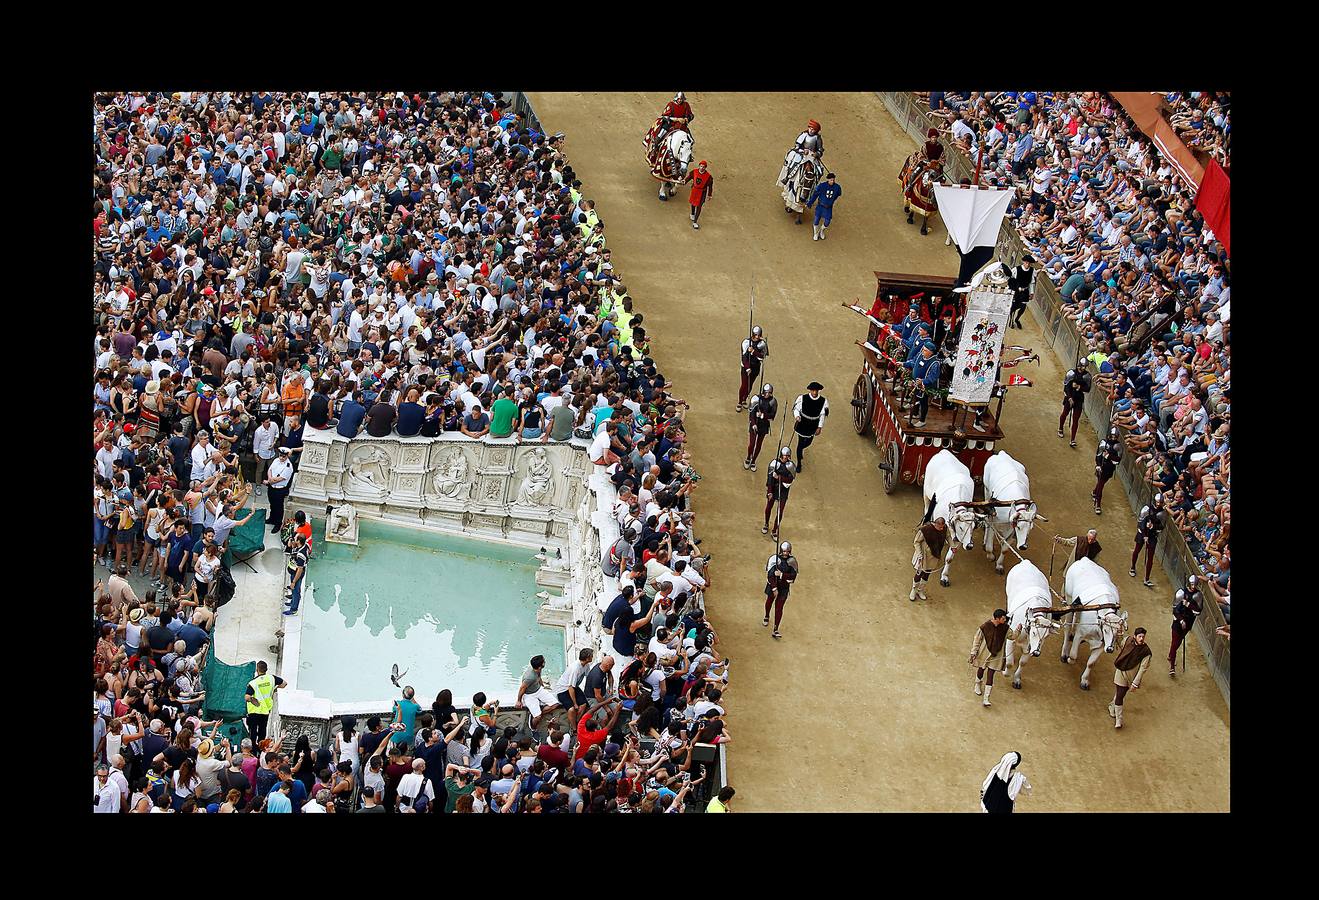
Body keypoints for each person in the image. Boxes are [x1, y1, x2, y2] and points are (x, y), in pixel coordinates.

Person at [1109, 627, 1152, 729]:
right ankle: (1119, 719)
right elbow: (1120, 644)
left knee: (1121, 694)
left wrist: (1135, 683)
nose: (1141, 638)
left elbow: (1142, 669)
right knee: (1120, 694)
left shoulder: (1146, 652)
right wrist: (1118, 634)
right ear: (1135, 636)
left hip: (1131, 677)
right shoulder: (1128, 640)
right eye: (1139, 636)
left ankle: (1112, 706)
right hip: (1120, 672)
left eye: (1143, 636)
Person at [969, 609, 1010, 708]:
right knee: (981, 669)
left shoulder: (1005, 628)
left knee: (991, 674)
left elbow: (1012, 636)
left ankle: (986, 698)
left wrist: (1018, 630)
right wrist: (973, 652)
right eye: (1003, 618)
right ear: (997, 618)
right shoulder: (985, 626)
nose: (1005, 620)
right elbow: (977, 639)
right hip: (985, 652)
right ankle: (977, 684)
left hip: (997, 655)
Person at [244, 660, 285, 748]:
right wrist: (274, 688)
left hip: (254, 711)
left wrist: (253, 700)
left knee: (253, 731)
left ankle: (252, 749)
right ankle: (261, 747)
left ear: (257, 670)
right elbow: (284, 684)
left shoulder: (253, 683)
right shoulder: (272, 678)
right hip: (265, 710)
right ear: (266, 669)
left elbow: (247, 697)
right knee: (262, 730)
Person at [762, 541, 798, 640]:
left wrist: (782, 575)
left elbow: (793, 576)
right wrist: (774, 588)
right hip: (773, 586)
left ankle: (776, 628)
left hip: (784, 588)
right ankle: (766, 615)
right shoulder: (774, 559)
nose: (785, 553)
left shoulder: (792, 561)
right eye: (784, 551)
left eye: (787, 551)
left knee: (779, 608)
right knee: (769, 601)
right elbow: (770, 575)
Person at [1168, 576, 1203, 677]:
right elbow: (1174, 609)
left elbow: (1198, 611)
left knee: (1178, 642)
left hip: (1188, 622)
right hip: (1178, 621)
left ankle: (1171, 656)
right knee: (1175, 643)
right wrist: (1181, 620)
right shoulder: (1181, 593)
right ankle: (1172, 667)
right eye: (1192, 584)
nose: (1193, 587)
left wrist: (1188, 605)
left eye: (1195, 585)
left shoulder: (1198, 595)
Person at [517, 655, 562, 733]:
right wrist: (519, 700)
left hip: (538, 689)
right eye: (544, 662)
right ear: (540, 667)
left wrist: (542, 685)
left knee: (555, 704)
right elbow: (522, 688)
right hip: (529, 695)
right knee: (537, 717)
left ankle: (537, 713)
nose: (545, 662)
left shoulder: (537, 670)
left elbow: (539, 677)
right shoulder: (529, 677)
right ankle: (533, 729)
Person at [1129, 497, 1166, 588]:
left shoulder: (1162, 513)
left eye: (1160, 502)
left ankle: (1147, 578)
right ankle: (1132, 567)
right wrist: (1145, 534)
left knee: (1150, 557)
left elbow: (1161, 526)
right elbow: (1140, 522)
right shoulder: (1147, 509)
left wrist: (1153, 526)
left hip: (1152, 535)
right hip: (1142, 533)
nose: (1158, 504)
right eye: (1157, 502)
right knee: (1137, 550)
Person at [792, 382, 828, 472]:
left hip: (813, 425)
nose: (815, 392)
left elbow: (822, 415)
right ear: (810, 390)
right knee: (800, 444)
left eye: (816, 391)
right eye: (813, 390)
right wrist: (797, 416)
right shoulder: (802, 398)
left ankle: (801, 450)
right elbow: (796, 409)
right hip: (802, 423)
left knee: (808, 442)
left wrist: (819, 427)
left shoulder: (823, 401)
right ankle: (799, 462)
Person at [904, 341, 941, 428]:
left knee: (923, 402)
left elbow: (933, 377)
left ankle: (922, 420)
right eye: (923, 349)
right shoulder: (920, 355)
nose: (922, 351)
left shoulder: (935, 363)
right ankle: (915, 414)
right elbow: (913, 363)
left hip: (925, 387)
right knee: (915, 398)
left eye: (925, 350)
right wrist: (904, 364)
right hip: (916, 383)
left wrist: (923, 381)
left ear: (930, 352)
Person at [762, 446, 796, 539]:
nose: (787, 458)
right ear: (782, 455)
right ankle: (766, 523)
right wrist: (770, 492)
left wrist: (779, 478)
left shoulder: (791, 466)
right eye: (786, 456)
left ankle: (774, 530)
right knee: (769, 507)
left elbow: (790, 479)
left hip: (784, 490)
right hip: (773, 488)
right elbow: (770, 479)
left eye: (789, 456)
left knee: (780, 511)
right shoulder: (774, 464)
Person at [911, 517, 947, 601]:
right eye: (940, 527)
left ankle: (921, 590)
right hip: (924, 556)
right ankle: (913, 590)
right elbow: (916, 542)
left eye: (942, 527)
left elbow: (947, 536)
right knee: (919, 573)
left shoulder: (944, 529)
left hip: (934, 556)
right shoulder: (925, 530)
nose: (941, 529)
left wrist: (953, 546)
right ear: (936, 524)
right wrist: (919, 554)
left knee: (927, 574)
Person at [1058, 359, 1092, 448]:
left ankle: (1073, 439)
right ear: (1079, 365)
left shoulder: (1087, 376)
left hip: (1079, 399)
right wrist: (1069, 398)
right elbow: (1066, 387)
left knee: (1076, 419)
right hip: (1070, 396)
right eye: (1083, 366)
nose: (1084, 368)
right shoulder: (1071, 373)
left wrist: (1079, 387)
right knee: (1064, 413)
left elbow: (1087, 389)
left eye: (1085, 366)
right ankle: (1060, 428)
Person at [744, 382, 777, 471]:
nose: (767, 394)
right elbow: (751, 413)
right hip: (754, 425)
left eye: (769, 393)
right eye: (766, 392)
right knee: (752, 444)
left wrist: (762, 415)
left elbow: (772, 416)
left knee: (758, 445)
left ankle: (753, 460)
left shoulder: (773, 401)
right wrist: (754, 424)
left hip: (764, 425)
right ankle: (748, 457)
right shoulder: (756, 399)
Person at [737, 327, 769, 412]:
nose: (757, 337)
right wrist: (747, 368)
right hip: (746, 367)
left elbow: (762, 356)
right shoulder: (746, 342)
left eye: (759, 335)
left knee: (750, 385)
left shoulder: (762, 344)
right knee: (744, 385)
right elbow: (744, 357)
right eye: (755, 335)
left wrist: (753, 352)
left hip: (755, 367)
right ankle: (739, 402)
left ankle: (744, 399)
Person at [1093, 426, 1123, 514]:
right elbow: (1098, 454)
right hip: (1101, 467)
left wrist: (1109, 456)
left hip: (1109, 469)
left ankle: (1095, 492)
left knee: (1101, 483)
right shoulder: (1103, 443)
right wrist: (1098, 465)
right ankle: (1098, 504)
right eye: (1112, 436)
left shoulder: (1118, 446)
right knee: (1101, 485)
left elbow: (1118, 460)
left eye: (1115, 437)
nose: (1113, 438)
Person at [264, 447, 294, 534]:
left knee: (278, 507)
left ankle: (277, 523)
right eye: (280, 455)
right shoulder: (276, 460)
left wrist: (268, 481)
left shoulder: (288, 467)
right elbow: (270, 470)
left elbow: (279, 479)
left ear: (287, 456)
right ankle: (271, 518)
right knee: (272, 504)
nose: (281, 458)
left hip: (279, 489)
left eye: (283, 456)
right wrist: (269, 478)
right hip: (271, 487)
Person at [805, 172, 842, 241]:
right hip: (820, 207)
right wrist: (810, 203)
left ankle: (821, 231)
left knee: (827, 222)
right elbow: (815, 195)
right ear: (828, 179)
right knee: (816, 221)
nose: (832, 181)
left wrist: (832, 201)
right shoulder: (822, 186)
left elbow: (838, 194)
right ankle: (815, 233)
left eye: (833, 180)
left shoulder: (837, 187)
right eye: (831, 180)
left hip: (828, 208)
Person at [283, 530, 309, 616]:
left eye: (295, 539)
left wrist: (294, 581)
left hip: (297, 574)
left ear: (298, 541)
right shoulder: (303, 545)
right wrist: (291, 538)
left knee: (295, 591)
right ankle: (293, 602)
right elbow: (290, 545)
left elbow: (300, 569)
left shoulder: (301, 555)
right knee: (295, 590)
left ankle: (294, 609)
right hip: (294, 571)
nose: (294, 539)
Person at [1007, 255, 1036, 329]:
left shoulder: (1032, 271)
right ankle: (1011, 320)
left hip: (1025, 291)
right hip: (1016, 291)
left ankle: (1017, 319)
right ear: (1024, 262)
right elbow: (1011, 281)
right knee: (1013, 307)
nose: (1028, 264)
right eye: (1026, 263)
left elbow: (1031, 283)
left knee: (1023, 307)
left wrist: (1031, 292)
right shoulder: (1016, 269)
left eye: (1029, 263)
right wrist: (1012, 289)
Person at [685, 160, 714, 230]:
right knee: (692, 203)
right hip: (694, 190)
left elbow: (710, 186)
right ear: (699, 166)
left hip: (702, 193)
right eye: (701, 166)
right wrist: (684, 181)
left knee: (699, 206)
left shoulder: (708, 177)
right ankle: (692, 213)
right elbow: (689, 178)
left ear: (705, 168)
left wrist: (709, 195)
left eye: (703, 167)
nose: (702, 168)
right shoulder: (694, 172)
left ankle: (695, 221)